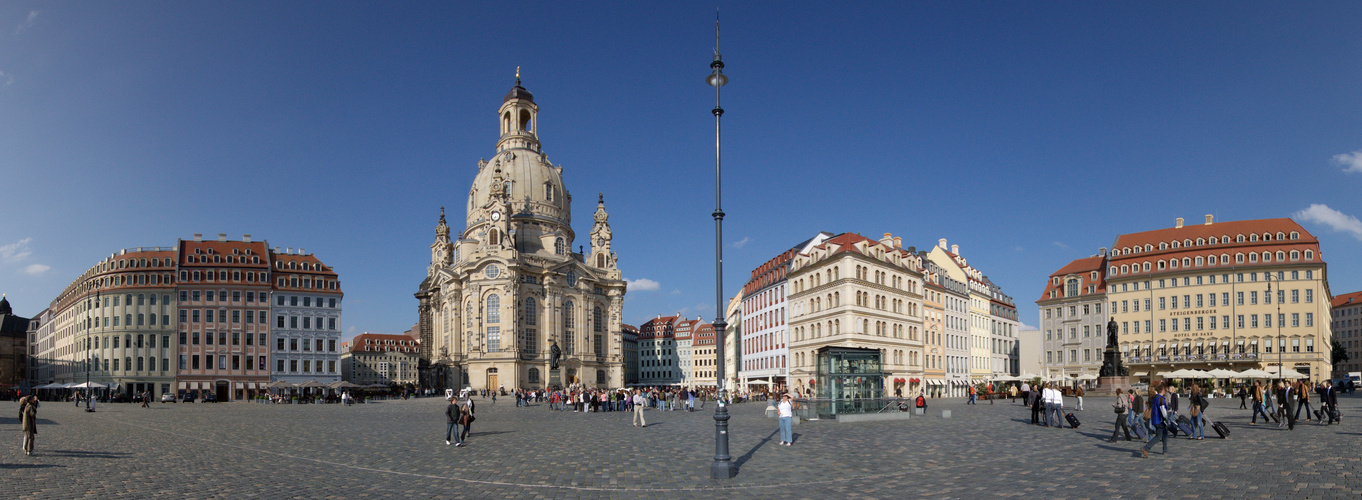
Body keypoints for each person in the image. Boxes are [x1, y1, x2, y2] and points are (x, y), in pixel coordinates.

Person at [1141, 384, 1169, 458]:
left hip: (1155, 418)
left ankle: (1165, 450)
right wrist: (1166, 417)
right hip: (1159, 419)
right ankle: (1146, 448)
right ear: (1163, 390)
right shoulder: (1160, 399)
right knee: (1158, 436)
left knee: (1165, 434)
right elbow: (1163, 409)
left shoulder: (1155, 398)